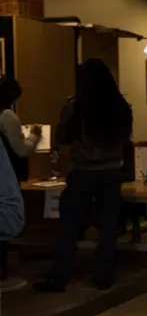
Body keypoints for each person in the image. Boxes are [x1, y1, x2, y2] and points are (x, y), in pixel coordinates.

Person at [35, 58, 133, 292]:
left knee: (69, 225)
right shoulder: (121, 107)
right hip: (110, 172)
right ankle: (102, 276)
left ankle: (59, 278)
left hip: (82, 173)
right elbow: (125, 141)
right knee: (108, 226)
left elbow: (64, 138)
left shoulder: (75, 106)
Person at [0, 76, 41, 291]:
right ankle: (2, 273)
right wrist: (34, 137)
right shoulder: (7, 115)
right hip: (8, 172)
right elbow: (21, 149)